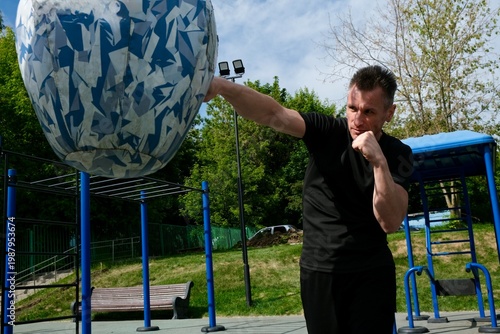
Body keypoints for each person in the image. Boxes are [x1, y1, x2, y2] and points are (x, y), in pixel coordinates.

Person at [203, 65, 414, 333]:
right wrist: (223, 86)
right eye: (352, 108)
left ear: (389, 113)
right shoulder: (328, 132)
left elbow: (390, 221)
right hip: (320, 270)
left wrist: (379, 162)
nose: (357, 120)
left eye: (369, 112)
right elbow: (273, 114)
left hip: (371, 273)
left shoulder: (398, 154)